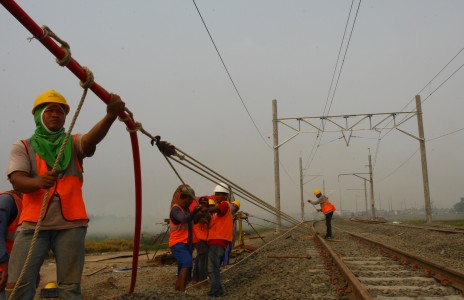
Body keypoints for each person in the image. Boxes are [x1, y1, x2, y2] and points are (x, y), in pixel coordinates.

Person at [6, 89, 125, 299]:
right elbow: (17, 179)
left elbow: (90, 141)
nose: (55, 115)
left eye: (60, 112)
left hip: (71, 226)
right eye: (50, 110)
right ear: (38, 115)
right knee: (18, 285)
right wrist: (37, 182)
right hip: (34, 224)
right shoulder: (23, 146)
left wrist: (110, 116)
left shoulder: (72, 142)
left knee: (70, 288)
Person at [168, 184, 200, 292]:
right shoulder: (176, 210)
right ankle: (182, 292)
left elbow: (194, 220)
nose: (192, 202)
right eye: (191, 199)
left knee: (183, 267)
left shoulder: (186, 209)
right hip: (178, 243)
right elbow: (184, 220)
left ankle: (177, 291)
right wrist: (194, 211)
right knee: (187, 262)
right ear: (186, 197)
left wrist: (200, 213)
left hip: (186, 243)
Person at [207, 183, 233, 297]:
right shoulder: (222, 206)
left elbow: (218, 209)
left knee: (213, 268)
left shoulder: (224, 205)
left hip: (218, 240)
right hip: (218, 240)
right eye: (215, 194)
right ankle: (219, 289)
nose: (216, 196)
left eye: (218, 194)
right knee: (215, 267)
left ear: (225, 195)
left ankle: (215, 291)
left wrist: (207, 209)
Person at [0, 184, 22, 300]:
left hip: (12, 269)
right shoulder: (6, 201)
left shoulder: (26, 204)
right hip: (4, 270)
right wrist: (5, 267)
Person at [191, 196, 210, 283]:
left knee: (199, 258)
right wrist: (201, 215)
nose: (203, 205)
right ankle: (202, 279)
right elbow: (195, 219)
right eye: (201, 203)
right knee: (203, 259)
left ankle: (195, 278)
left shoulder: (208, 213)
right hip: (199, 238)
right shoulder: (197, 213)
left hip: (204, 238)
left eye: (204, 203)